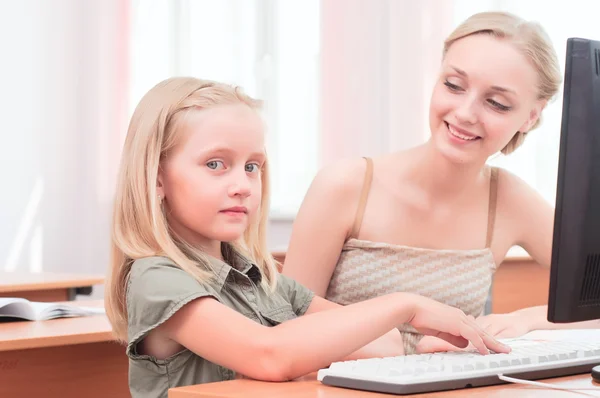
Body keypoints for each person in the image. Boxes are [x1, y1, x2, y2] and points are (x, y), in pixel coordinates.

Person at [103, 77, 506, 398]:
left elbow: (380, 342)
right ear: (157, 179)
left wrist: (409, 346)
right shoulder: (156, 278)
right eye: (215, 164)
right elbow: (270, 355)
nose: (243, 184)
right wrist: (406, 303)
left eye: (252, 166)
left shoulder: (263, 279)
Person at [282, 11, 600, 355]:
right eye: (453, 85)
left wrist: (530, 318)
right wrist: (405, 347)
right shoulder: (345, 186)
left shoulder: (509, 200)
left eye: (496, 103)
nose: (465, 112)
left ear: (530, 117)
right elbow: (285, 324)